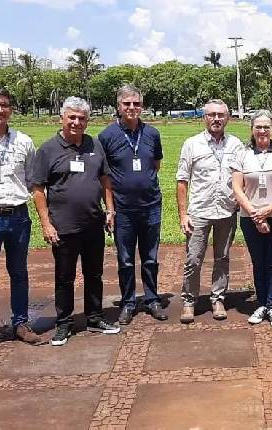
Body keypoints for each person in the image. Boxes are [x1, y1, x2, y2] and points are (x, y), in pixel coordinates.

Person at [30, 96, 119, 346]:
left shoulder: (94, 144)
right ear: (62, 118)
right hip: (63, 226)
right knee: (64, 277)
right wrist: (46, 224)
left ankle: (95, 317)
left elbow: (104, 179)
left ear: (87, 121)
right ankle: (64, 323)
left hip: (93, 222)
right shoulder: (48, 149)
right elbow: (38, 189)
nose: (76, 122)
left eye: (81, 118)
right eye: (72, 117)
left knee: (94, 273)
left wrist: (109, 210)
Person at [0, 86, 41, 358]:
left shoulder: (23, 141)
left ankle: (20, 324)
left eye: (3, 105)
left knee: (19, 273)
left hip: (17, 215)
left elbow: (32, 179)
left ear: (10, 109)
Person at [98, 84, 166, 325]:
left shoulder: (152, 134)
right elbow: (103, 176)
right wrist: (110, 208)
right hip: (123, 209)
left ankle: (152, 299)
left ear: (142, 106)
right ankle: (128, 302)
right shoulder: (106, 136)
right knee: (125, 260)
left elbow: (155, 164)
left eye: (136, 103)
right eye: (127, 103)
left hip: (150, 206)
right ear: (119, 106)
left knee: (150, 258)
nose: (132, 108)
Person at [176, 99, 242, 324]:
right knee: (194, 259)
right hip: (199, 211)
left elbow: (242, 178)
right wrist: (183, 214)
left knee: (222, 258)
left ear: (228, 118)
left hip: (226, 211)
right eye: (212, 115)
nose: (216, 119)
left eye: (221, 115)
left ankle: (218, 298)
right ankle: (188, 301)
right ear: (204, 117)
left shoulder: (236, 145)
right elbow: (182, 181)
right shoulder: (192, 144)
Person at [231, 110, 272, 329]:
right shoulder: (241, 155)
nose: (262, 131)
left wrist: (267, 210)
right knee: (259, 262)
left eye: (266, 127)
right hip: (250, 217)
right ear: (252, 130)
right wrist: (255, 213)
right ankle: (261, 304)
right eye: (258, 127)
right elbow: (236, 188)